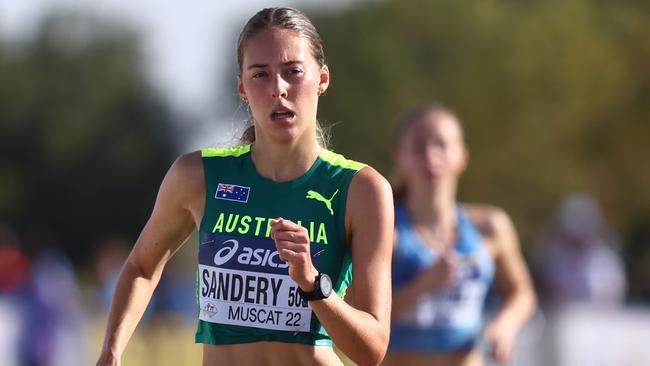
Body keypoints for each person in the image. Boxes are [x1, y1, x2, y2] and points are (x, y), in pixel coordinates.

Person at [96, 7, 393, 366]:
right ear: (241, 87)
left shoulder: (361, 189)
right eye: (260, 75)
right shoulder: (198, 175)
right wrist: (111, 351)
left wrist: (313, 284)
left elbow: (372, 348)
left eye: (293, 72)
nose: (278, 89)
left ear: (322, 79)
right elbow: (142, 268)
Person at [383, 105, 536, 366]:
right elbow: (358, 315)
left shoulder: (490, 227)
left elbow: (521, 292)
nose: (431, 156)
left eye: (441, 145)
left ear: (462, 155)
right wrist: (422, 287)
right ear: (400, 157)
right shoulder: (386, 230)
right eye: (419, 147)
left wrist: (504, 326)